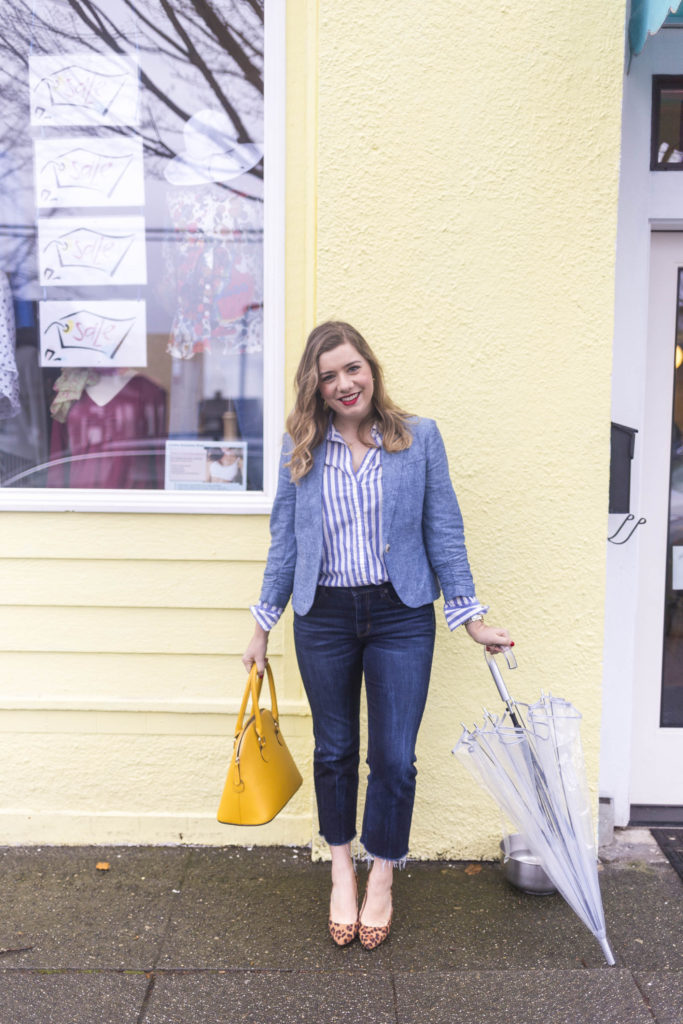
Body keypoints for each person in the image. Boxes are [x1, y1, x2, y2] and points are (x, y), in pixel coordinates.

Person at [242, 321, 512, 950]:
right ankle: (342, 870)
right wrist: (261, 624)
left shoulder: (418, 439)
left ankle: (382, 873)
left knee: (393, 757)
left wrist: (471, 618)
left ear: (372, 368)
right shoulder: (300, 445)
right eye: (328, 375)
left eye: (352, 369)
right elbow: (287, 542)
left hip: (401, 614)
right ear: (315, 386)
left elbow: (444, 530)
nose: (344, 384)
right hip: (324, 617)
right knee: (334, 752)